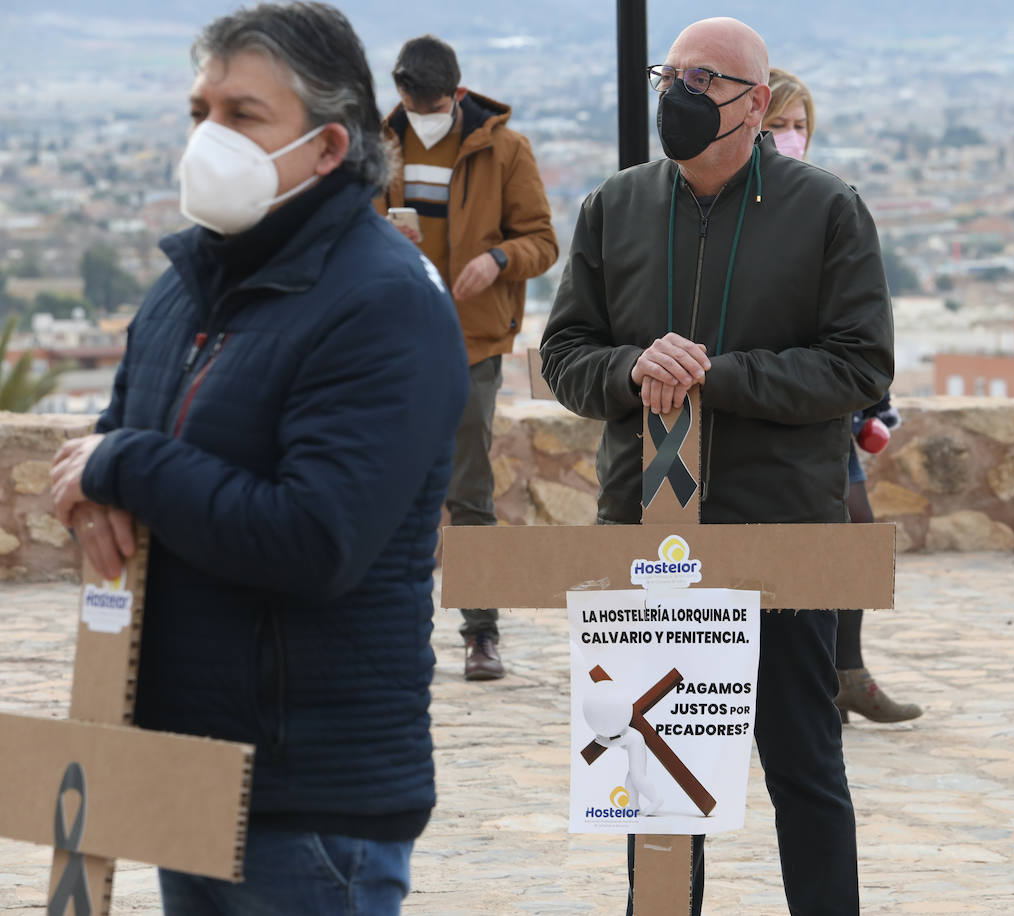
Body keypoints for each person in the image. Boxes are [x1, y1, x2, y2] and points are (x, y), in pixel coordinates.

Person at [48, 4, 466, 912]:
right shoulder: (187, 286)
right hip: (183, 766)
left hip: (306, 800)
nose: (209, 136)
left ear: (327, 148)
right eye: (202, 110)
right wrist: (101, 490)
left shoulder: (380, 305)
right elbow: (114, 447)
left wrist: (130, 469)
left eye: (243, 115)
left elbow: (313, 539)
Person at [540, 18, 894, 915]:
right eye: (673, 75)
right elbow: (567, 356)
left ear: (758, 103)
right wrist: (632, 368)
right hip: (646, 538)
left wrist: (714, 378)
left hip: (780, 534)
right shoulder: (613, 206)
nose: (680, 95)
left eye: (706, 80)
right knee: (651, 777)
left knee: (804, 765)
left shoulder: (826, 207)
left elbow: (859, 365)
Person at [377, 34, 558, 681]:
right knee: (387, 490)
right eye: (412, 102)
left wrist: (498, 259)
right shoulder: (379, 146)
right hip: (394, 343)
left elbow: (542, 241)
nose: (422, 113)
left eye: (433, 103)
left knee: (470, 490)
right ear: (400, 94)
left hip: (473, 343)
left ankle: (481, 634)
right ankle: (393, 633)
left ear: (457, 94)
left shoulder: (505, 150)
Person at [764, 67, 922, 725]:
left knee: (854, 535)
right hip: (771, 412)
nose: (791, 139)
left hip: (827, 409)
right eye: (778, 126)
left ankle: (844, 673)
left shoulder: (823, 205)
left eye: (800, 127)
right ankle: (806, 684)